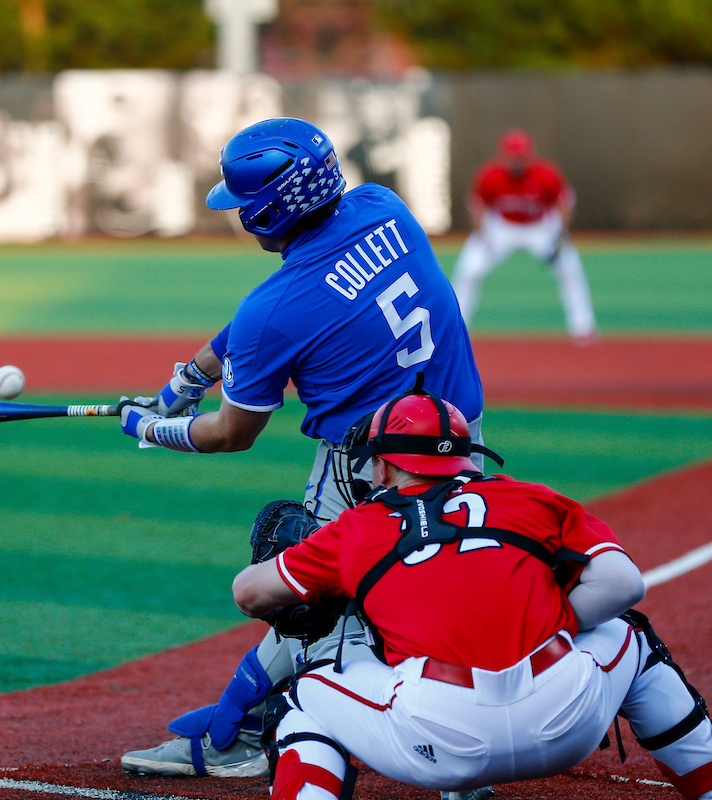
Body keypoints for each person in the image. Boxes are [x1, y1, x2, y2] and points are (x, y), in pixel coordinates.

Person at [117, 117, 490, 800]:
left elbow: (232, 433)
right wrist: (189, 377)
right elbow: (267, 315)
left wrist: (151, 427)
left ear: (265, 213)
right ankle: (474, 740)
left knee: (305, 594)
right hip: (460, 443)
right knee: (442, 586)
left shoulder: (273, 311)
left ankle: (242, 736)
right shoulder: (383, 206)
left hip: (368, 469)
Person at [231, 386, 712, 800]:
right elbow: (624, 585)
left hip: (437, 740)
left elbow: (249, 594)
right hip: (566, 721)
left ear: (380, 469)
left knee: (300, 698)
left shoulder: (357, 528)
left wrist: (325, 585)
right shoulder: (532, 497)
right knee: (631, 635)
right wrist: (549, 622)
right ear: (465, 456)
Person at [451, 129, 596, 344]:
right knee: (469, 269)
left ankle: (583, 326)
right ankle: (456, 327)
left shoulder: (546, 174)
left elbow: (564, 204)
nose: (516, 162)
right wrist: (483, 235)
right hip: (501, 226)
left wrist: (558, 235)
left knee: (570, 268)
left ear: (530, 155)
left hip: (540, 227)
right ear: (503, 156)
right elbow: (477, 207)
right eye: (512, 157)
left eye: (521, 157)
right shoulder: (490, 175)